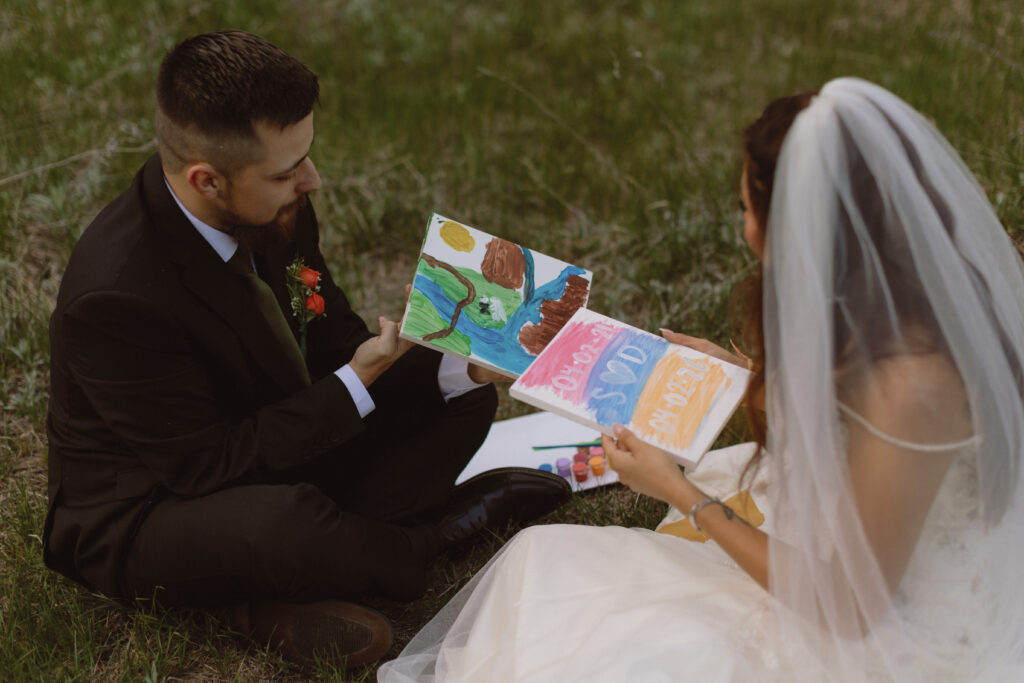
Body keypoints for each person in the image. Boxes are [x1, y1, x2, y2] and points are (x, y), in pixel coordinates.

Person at [378, 77, 1024, 681]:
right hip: (859, 538)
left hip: (880, 623)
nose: (745, 227)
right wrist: (739, 376)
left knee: (588, 621)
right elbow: (848, 417)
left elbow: (853, 607)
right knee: (541, 564)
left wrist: (678, 491)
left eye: (747, 207)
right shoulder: (885, 293)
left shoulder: (911, 387)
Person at [43, 30, 571, 668]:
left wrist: (458, 360)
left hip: (274, 444)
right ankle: (425, 542)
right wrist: (356, 380)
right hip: (153, 509)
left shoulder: (275, 210)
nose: (311, 180)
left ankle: (317, 566)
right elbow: (204, 466)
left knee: (453, 391)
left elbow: (332, 342)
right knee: (284, 524)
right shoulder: (115, 295)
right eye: (286, 171)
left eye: (306, 158)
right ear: (207, 180)